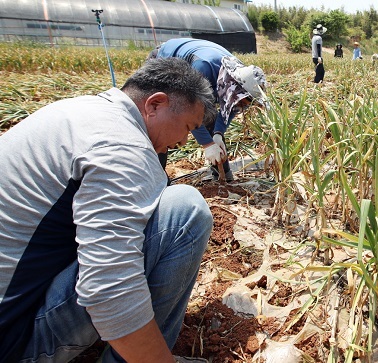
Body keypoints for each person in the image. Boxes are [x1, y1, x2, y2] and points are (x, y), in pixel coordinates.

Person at [0, 58, 217, 362]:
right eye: (186, 128)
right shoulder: (124, 147)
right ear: (155, 104)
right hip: (13, 339)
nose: (182, 141)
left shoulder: (78, 111)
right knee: (184, 212)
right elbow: (110, 288)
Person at [150, 38, 267, 182]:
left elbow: (230, 108)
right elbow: (187, 110)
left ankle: (222, 175)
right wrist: (207, 144)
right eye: (242, 102)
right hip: (164, 61)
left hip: (196, 74)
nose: (242, 106)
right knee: (162, 121)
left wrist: (218, 133)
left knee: (210, 120)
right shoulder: (203, 69)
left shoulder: (238, 77)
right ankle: (157, 180)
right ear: (235, 91)